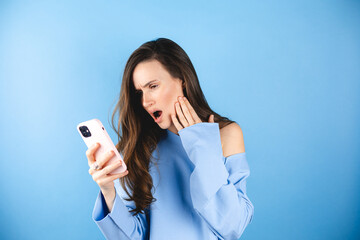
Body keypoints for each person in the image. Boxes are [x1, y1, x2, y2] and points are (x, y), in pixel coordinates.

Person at [86, 38, 254, 240]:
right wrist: (108, 193)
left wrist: (201, 147)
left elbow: (232, 226)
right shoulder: (139, 148)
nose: (146, 101)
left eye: (153, 86)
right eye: (139, 92)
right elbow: (135, 236)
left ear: (182, 79)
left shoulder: (226, 134)